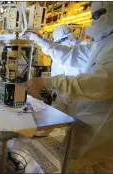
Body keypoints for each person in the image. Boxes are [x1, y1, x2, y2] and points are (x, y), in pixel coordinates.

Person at [21, 1, 113, 173]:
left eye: (98, 15)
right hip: (84, 111)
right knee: (77, 158)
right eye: (92, 16)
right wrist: (39, 40)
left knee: (82, 162)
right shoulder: (101, 43)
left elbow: (99, 84)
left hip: (103, 124)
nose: (93, 20)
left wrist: (48, 82)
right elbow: (71, 54)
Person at [51, 24, 90, 114]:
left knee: (75, 121)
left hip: (79, 94)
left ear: (71, 36)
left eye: (63, 40)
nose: (61, 44)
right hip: (62, 93)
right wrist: (54, 90)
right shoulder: (59, 54)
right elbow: (55, 72)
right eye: (58, 42)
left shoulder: (85, 48)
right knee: (56, 117)